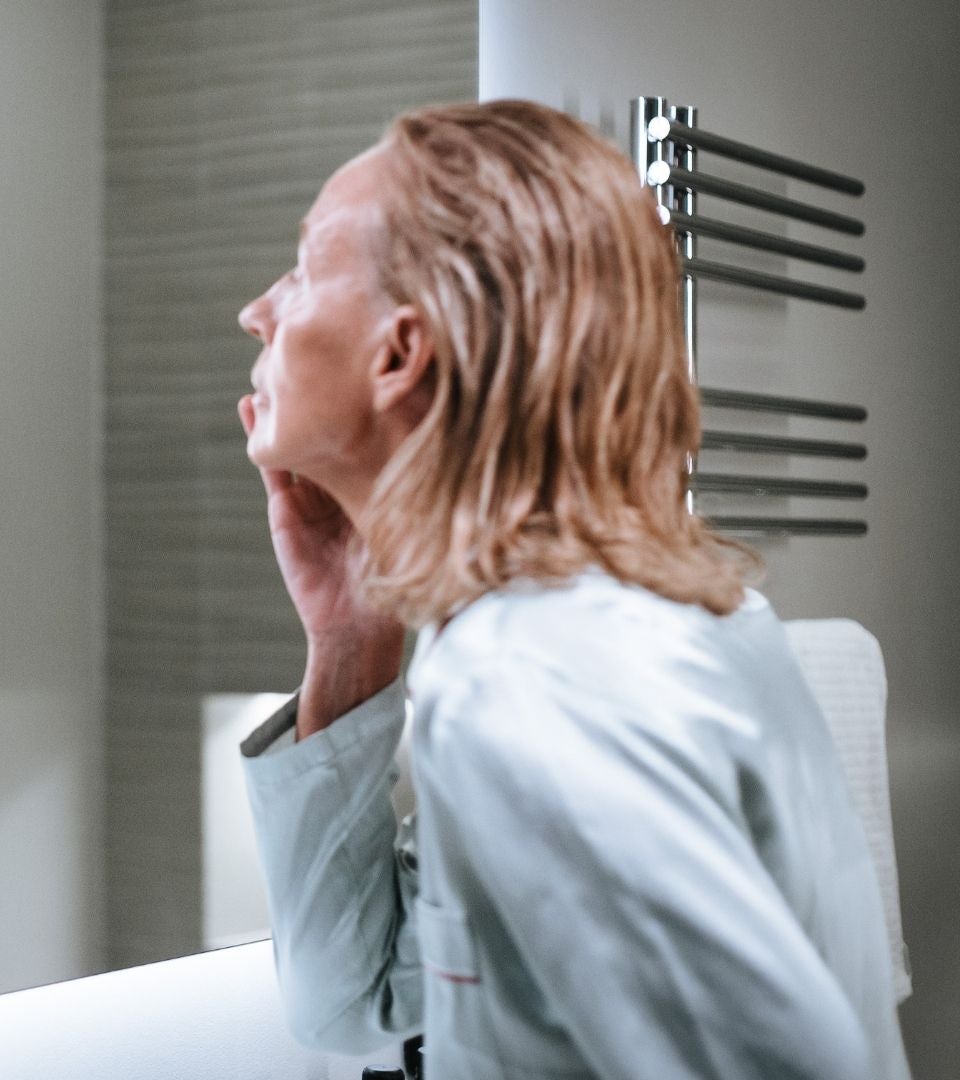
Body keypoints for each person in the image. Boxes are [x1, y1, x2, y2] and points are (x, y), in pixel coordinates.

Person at [235, 100, 908, 1079]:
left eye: (303, 268)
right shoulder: (580, 633)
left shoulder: (532, 683)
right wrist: (350, 639)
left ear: (399, 354)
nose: (258, 310)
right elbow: (362, 997)